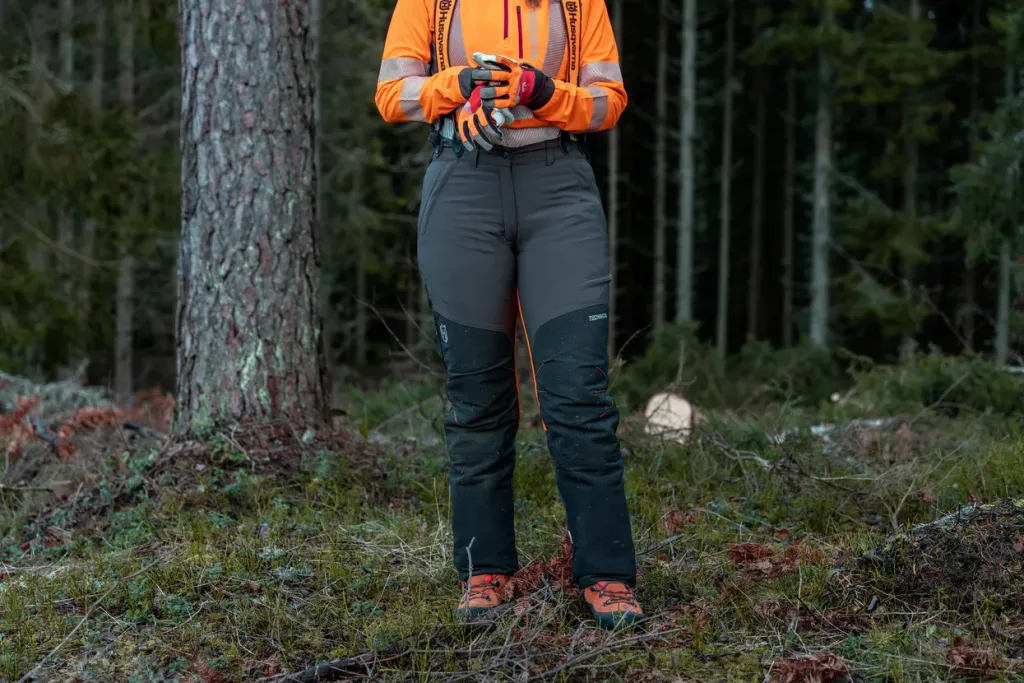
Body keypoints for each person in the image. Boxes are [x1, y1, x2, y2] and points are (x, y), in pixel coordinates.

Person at [374, 0, 642, 630]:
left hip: (559, 186)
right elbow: (391, 95)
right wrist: (457, 85)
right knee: (475, 396)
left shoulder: (578, 4)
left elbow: (609, 101)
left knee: (578, 392)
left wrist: (542, 92)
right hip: (462, 183)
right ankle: (484, 570)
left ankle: (608, 574)